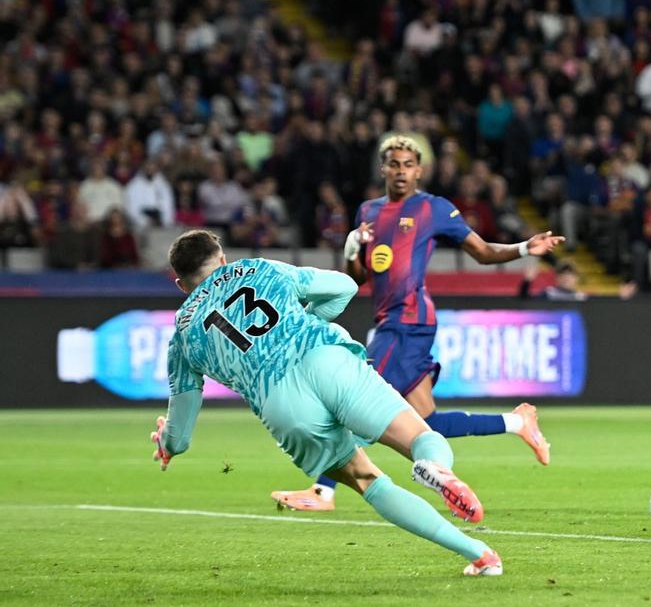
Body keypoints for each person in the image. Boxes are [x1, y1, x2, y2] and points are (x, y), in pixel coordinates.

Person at [151, 230, 502, 576]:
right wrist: (310, 319)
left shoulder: (182, 335)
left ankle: (480, 555)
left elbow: (179, 437)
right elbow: (344, 287)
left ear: (181, 284)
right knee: (417, 436)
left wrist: (167, 443)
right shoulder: (258, 269)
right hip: (323, 359)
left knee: (367, 480)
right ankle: (438, 469)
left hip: (281, 403)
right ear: (223, 259)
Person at [273, 135, 564, 512]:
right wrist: (349, 253)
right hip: (388, 322)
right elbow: (359, 277)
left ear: (419, 170)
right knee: (426, 422)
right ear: (383, 169)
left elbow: (482, 252)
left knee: (353, 394)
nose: (400, 171)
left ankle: (323, 490)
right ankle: (516, 422)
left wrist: (525, 247)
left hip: (409, 320)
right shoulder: (369, 211)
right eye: (393, 164)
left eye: (408, 165)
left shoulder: (433, 208)